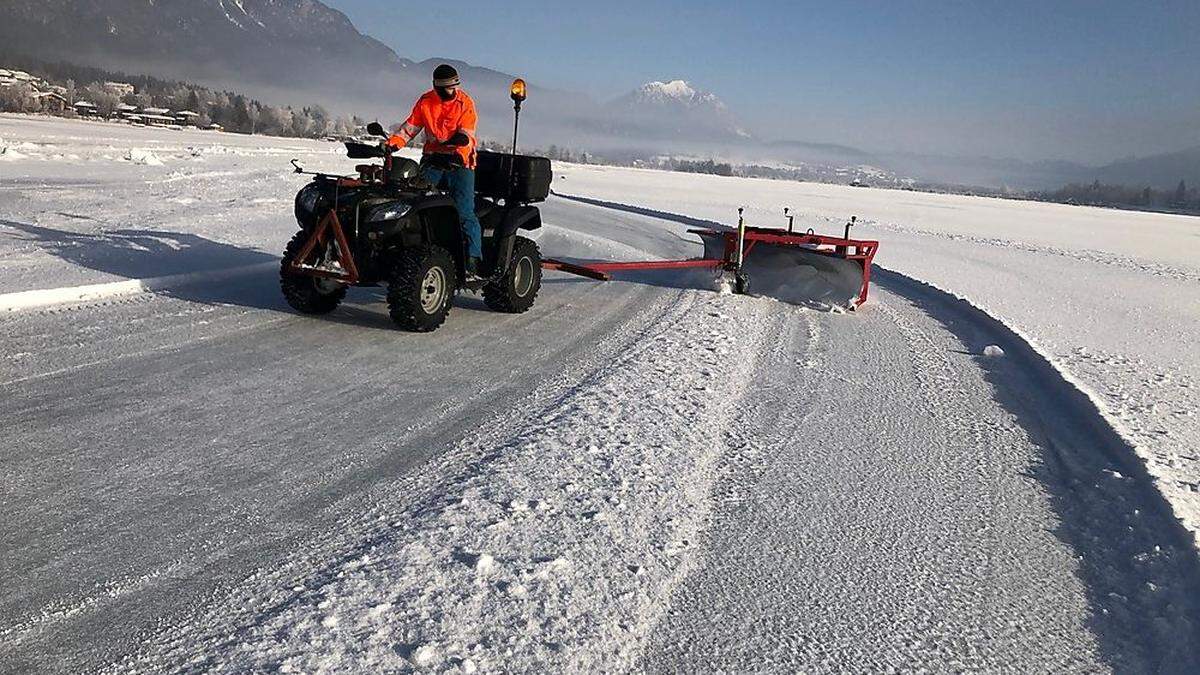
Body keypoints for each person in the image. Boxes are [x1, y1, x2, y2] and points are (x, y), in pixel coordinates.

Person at [388, 64, 483, 277]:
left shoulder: (465, 103)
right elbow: (409, 128)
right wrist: (393, 144)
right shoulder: (426, 102)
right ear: (437, 87)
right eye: (448, 87)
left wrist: (458, 153)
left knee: (463, 210)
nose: (453, 91)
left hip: (461, 164)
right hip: (432, 161)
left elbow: (467, 135)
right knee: (413, 200)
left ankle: (472, 260)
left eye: (455, 86)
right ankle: (411, 249)